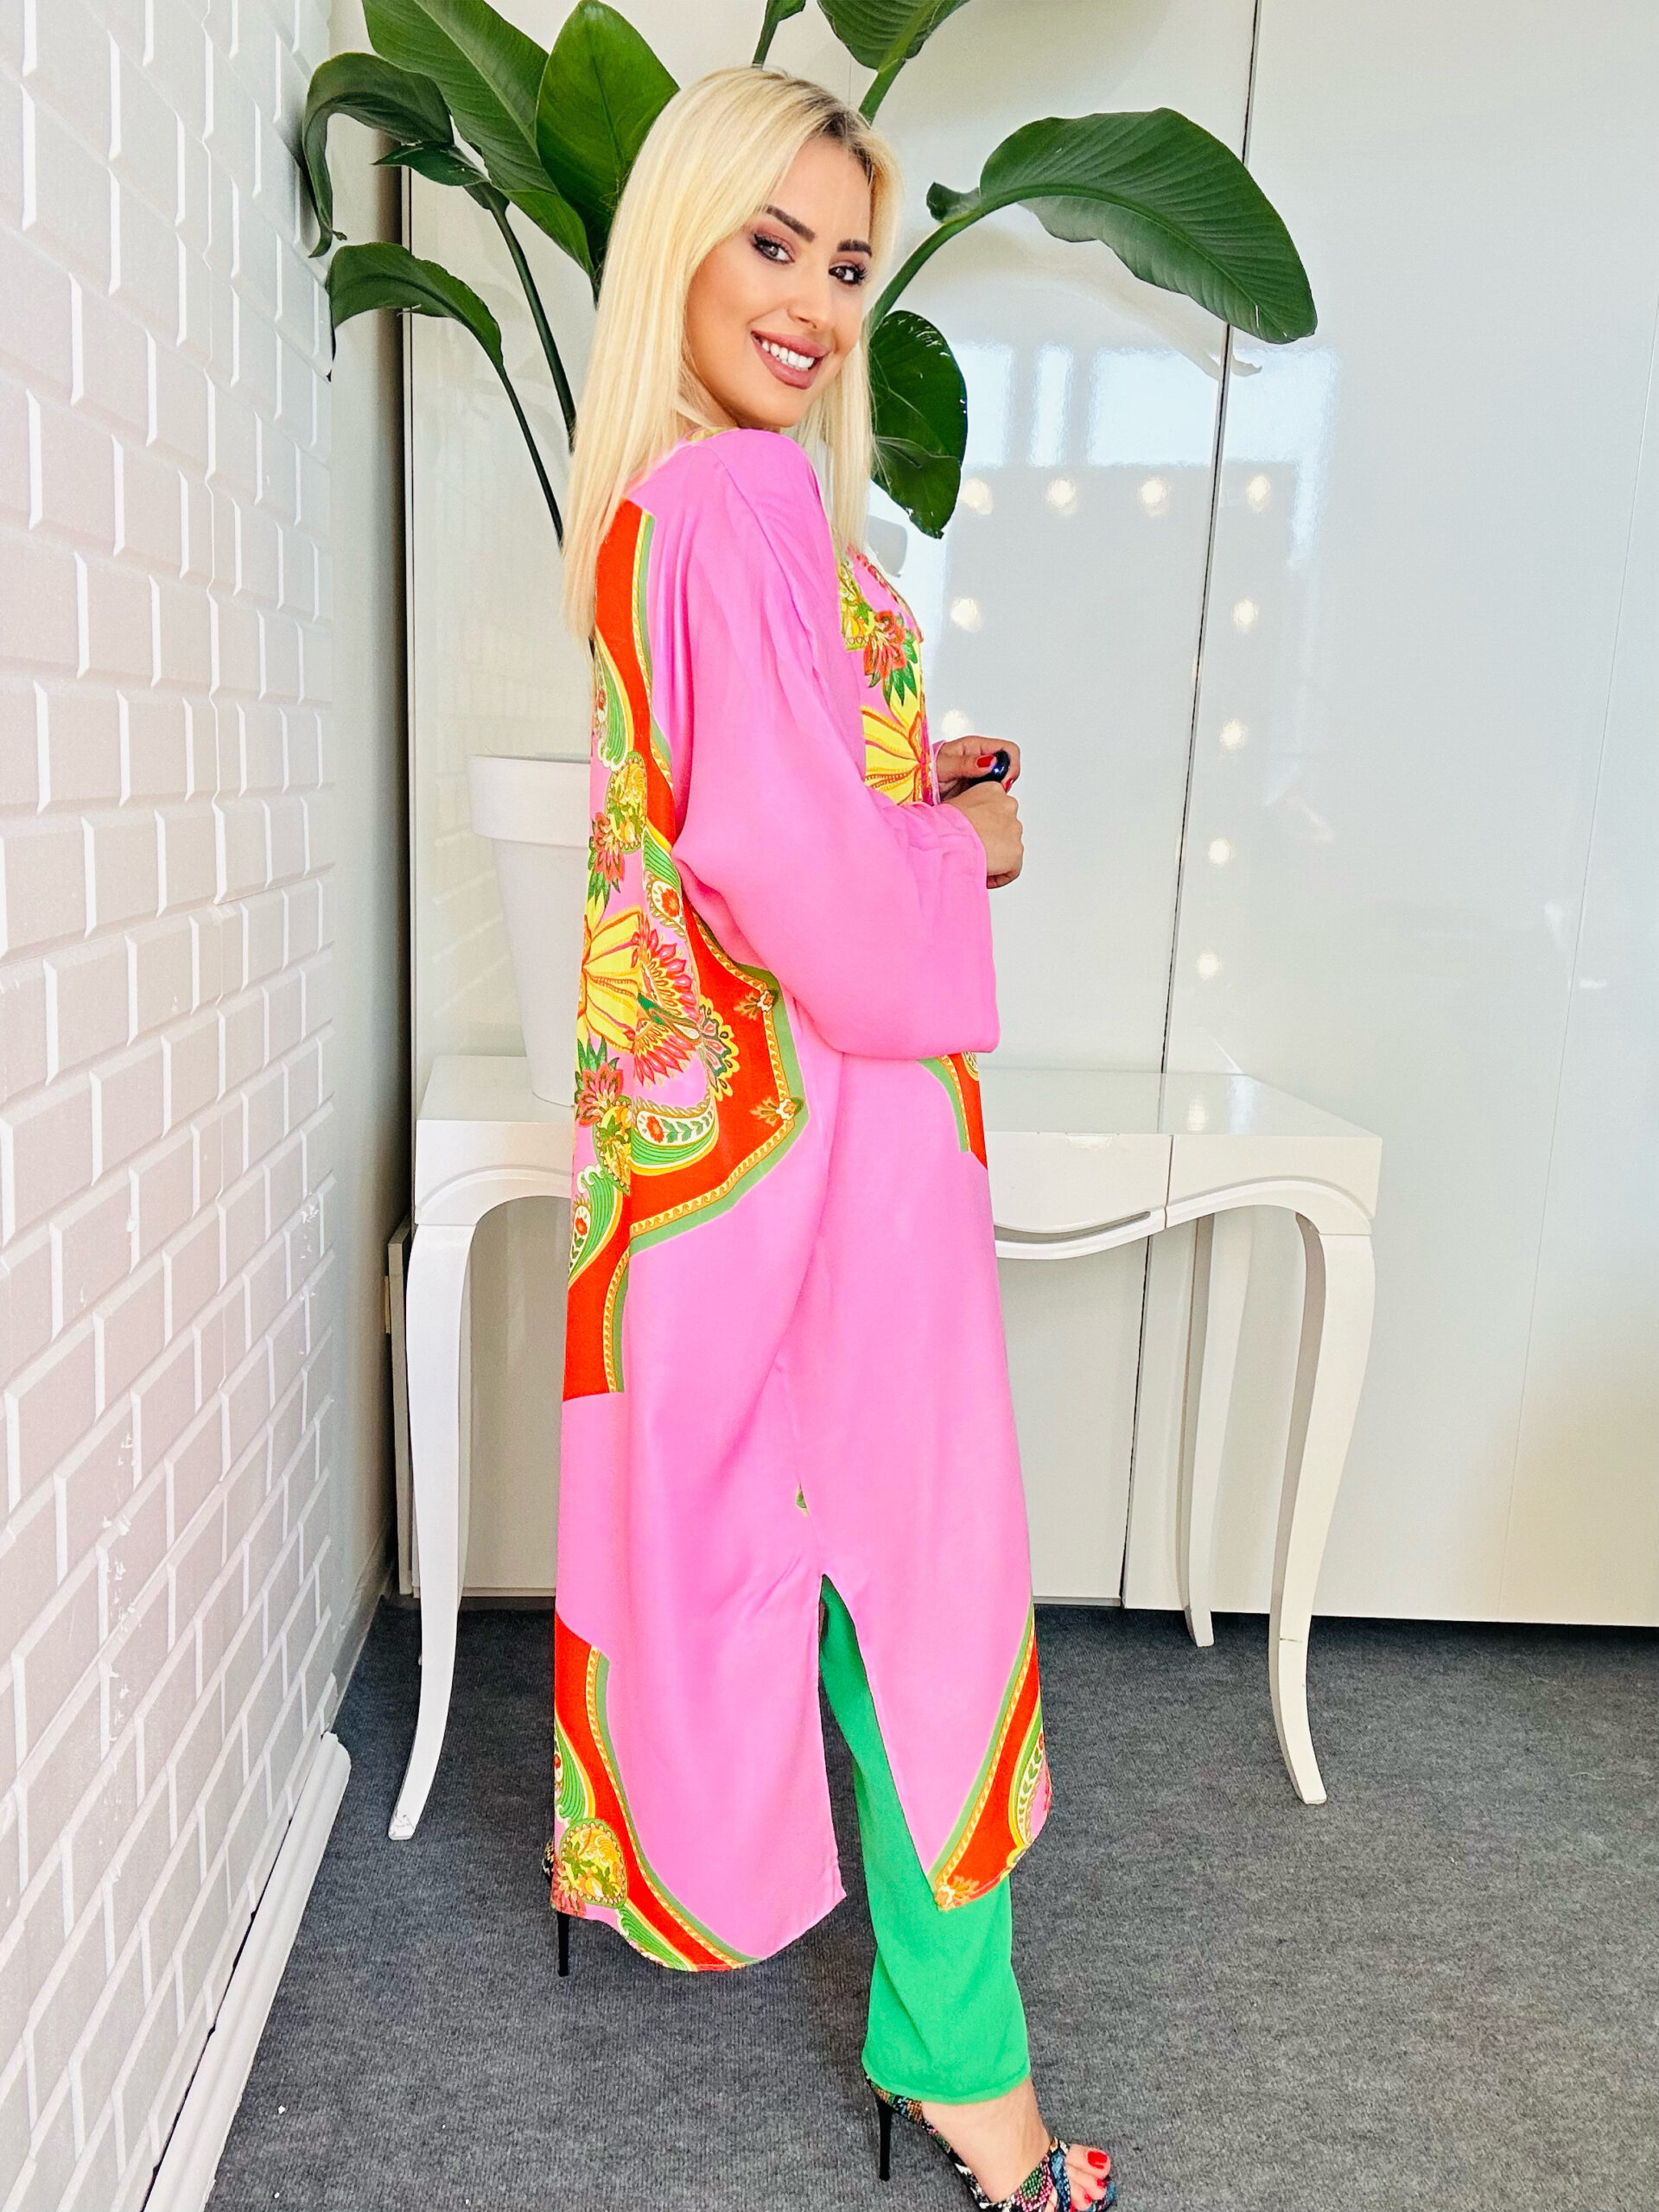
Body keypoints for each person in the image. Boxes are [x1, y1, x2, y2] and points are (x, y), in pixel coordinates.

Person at [542, 64, 1115, 2212]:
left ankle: (934, 2032)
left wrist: (917, 785)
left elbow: (744, 800)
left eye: (848, 263)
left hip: (722, 1150)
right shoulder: (738, 501)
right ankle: (973, 2079)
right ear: (680, 243)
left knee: (834, 1555)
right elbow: (795, 870)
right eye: (771, 243)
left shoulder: (673, 502)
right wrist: (970, 846)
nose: (812, 301)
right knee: (919, 1576)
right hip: (814, 1154)